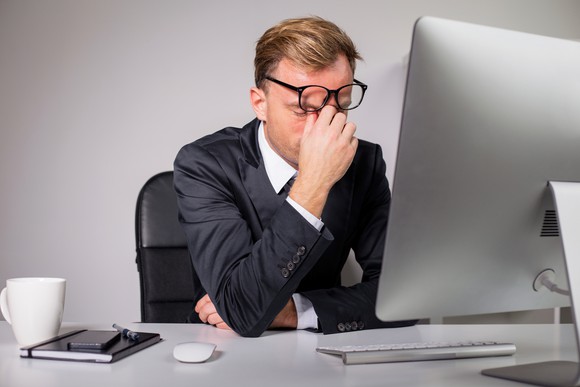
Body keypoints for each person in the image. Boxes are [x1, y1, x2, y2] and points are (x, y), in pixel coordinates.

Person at [173, 16, 416, 337]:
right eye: (304, 109)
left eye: (340, 106)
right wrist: (314, 183)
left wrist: (295, 312)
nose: (326, 124)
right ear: (260, 103)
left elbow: (403, 297)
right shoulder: (204, 164)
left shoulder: (364, 163)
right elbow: (242, 309)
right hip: (223, 347)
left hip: (321, 345)